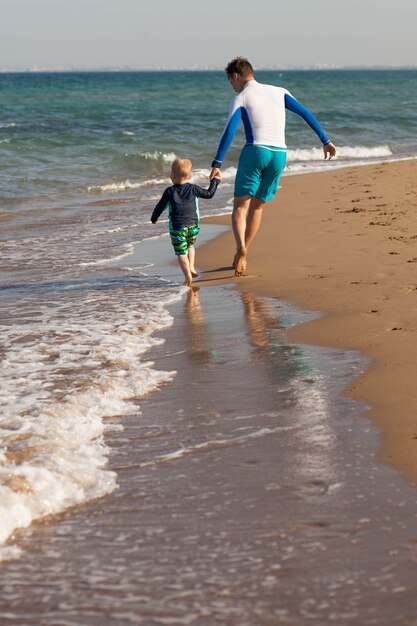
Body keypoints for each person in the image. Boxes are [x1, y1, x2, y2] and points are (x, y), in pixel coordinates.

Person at [210, 57, 336, 276]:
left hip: (255, 151)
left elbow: (229, 131)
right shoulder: (279, 91)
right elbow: (305, 113)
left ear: (236, 76)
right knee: (258, 206)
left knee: (241, 205)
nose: (232, 86)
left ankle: (240, 248)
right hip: (280, 154)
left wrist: (217, 163)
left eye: (231, 81)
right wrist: (325, 140)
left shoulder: (241, 97)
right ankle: (245, 249)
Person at [151, 157, 221, 286]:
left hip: (178, 228)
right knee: (190, 246)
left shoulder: (169, 192)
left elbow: (160, 206)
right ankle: (192, 267)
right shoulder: (193, 188)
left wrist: (154, 218)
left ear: (172, 175)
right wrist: (215, 181)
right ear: (189, 175)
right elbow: (209, 194)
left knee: (181, 252)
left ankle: (187, 275)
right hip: (194, 226)